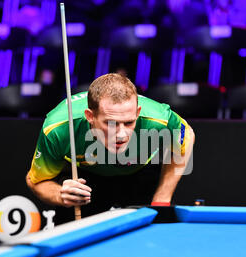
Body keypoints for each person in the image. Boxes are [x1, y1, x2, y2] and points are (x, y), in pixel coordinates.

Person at [26, 73, 195, 222]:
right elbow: (36, 181)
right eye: (111, 124)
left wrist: (162, 198)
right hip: (84, 181)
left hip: (139, 173)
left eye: (129, 122)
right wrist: (60, 194)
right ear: (90, 116)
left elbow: (187, 136)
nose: (121, 134)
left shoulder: (159, 119)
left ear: (137, 113)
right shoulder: (59, 128)